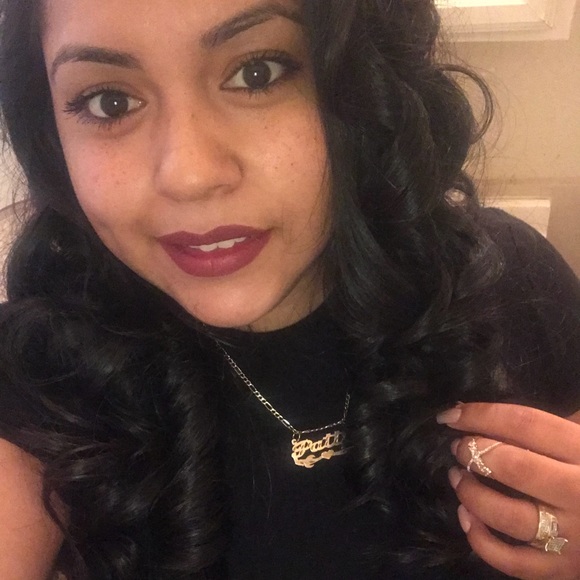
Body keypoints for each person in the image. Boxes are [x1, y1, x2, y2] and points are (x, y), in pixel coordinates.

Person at [0, 0, 578, 578]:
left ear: (365, 81)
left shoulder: (505, 280)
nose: (189, 175)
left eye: (258, 73)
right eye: (110, 101)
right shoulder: (37, 373)